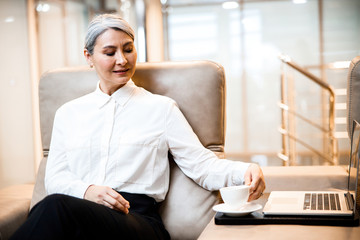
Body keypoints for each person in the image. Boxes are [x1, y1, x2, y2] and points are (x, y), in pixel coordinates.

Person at [10, 13, 265, 240]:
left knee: (54, 208)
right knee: (57, 211)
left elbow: (201, 165)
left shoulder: (161, 108)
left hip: (137, 222)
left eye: (128, 49)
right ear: (89, 57)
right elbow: (55, 177)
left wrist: (245, 170)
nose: (122, 60)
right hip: (80, 214)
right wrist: (87, 191)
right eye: (110, 53)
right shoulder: (68, 113)